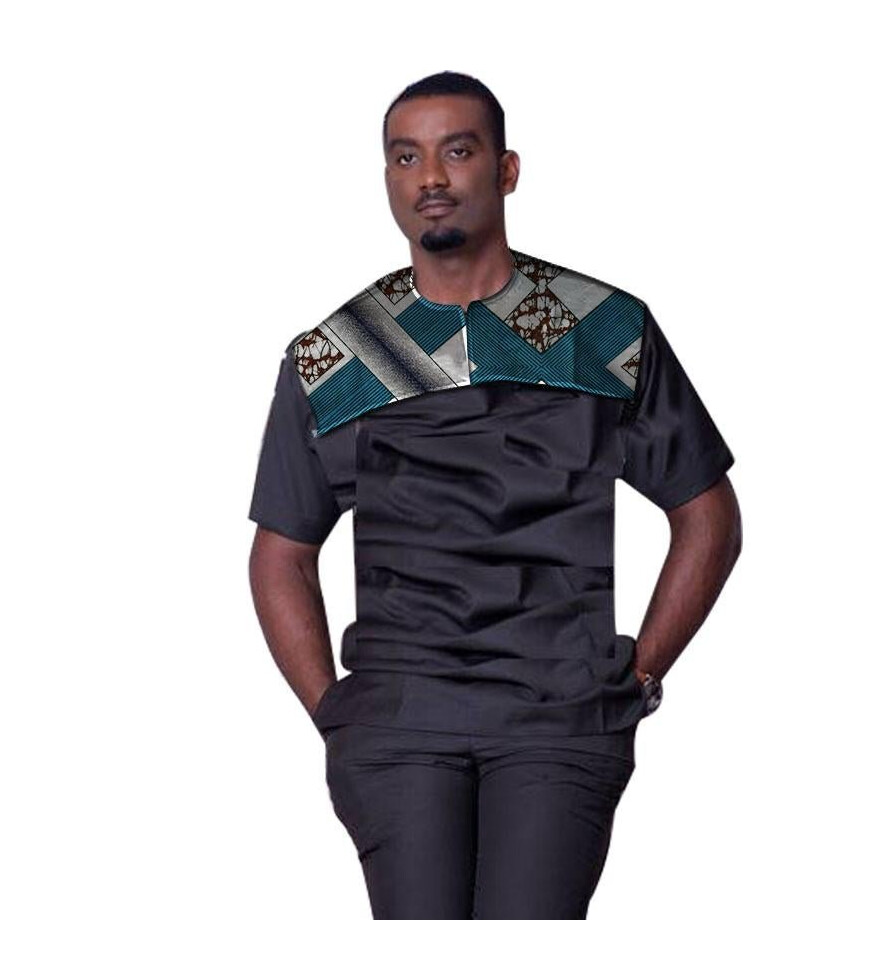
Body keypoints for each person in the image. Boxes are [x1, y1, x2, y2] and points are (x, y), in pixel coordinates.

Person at [247, 70, 742, 919]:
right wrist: (336, 711)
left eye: (457, 151)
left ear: (506, 170)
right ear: (387, 178)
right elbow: (281, 553)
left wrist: (639, 677)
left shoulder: (602, 329)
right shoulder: (337, 353)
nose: (431, 177)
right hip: (398, 723)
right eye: (407, 157)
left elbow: (708, 517)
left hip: (562, 720)